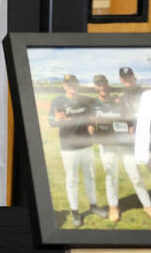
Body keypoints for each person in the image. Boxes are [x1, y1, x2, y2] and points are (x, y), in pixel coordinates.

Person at [93, 70, 151, 221]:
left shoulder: (120, 101)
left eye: (104, 83)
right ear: (95, 88)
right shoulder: (94, 105)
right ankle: (113, 207)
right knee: (111, 177)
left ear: (108, 85)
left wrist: (131, 127)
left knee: (136, 175)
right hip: (107, 147)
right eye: (99, 84)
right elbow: (90, 124)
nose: (103, 87)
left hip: (125, 144)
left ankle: (147, 204)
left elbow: (129, 119)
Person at [47, 74, 101, 227]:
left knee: (90, 176)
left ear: (77, 84)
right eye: (68, 84)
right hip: (69, 147)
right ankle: (75, 211)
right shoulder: (58, 101)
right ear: (65, 86)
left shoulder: (86, 100)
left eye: (74, 83)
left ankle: (93, 205)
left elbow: (100, 106)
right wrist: (56, 120)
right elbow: (51, 121)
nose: (71, 86)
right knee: (72, 180)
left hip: (87, 145)